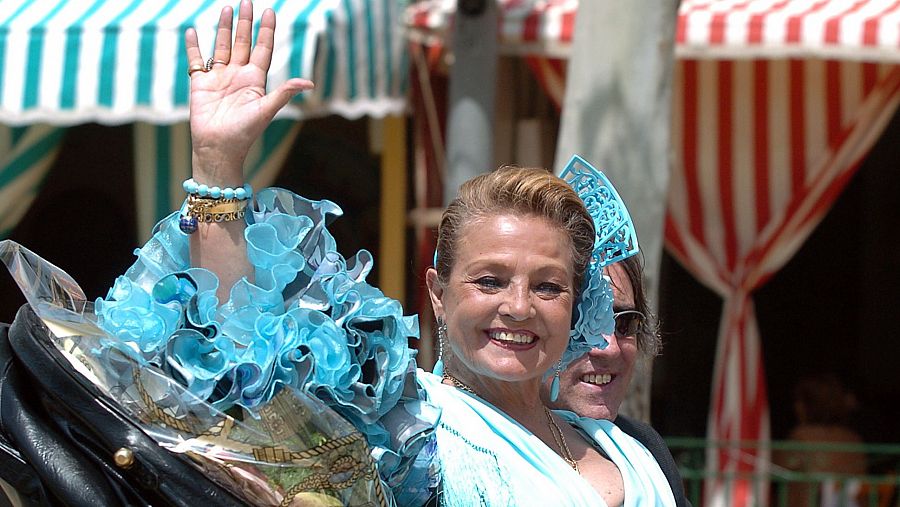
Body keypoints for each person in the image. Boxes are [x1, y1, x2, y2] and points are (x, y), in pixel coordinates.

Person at [91, 1, 677, 505]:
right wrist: (217, 167)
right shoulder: (409, 431)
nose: (518, 306)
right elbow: (241, 360)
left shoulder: (626, 444)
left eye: (548, 286)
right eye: (490, 281)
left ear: (578, 305)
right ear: (437, 295)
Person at [545, 254, 691, 506]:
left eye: (624, 322)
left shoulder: (645, 448)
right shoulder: (473, 448)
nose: (609, 348)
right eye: (582, 321)